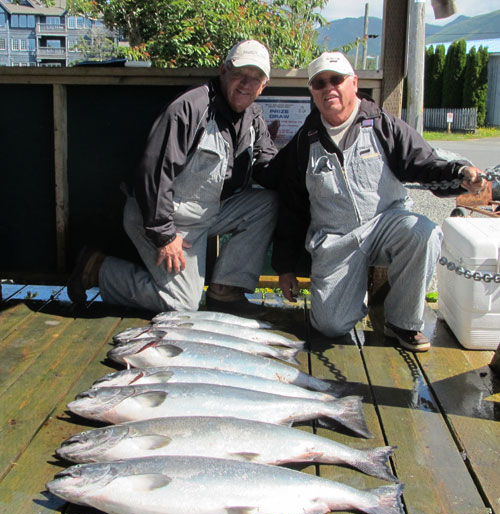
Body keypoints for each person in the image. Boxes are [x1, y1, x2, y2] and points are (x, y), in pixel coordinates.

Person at [270, 51, 487, 352]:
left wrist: (460, 173)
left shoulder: (386, 126)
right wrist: (285, 267)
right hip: (336, 240)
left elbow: (424, 164)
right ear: (312, 92)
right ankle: (351, 299)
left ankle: (403, 323)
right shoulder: (303, 143)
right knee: (330, 326)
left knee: (423, 232)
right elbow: (291, 208)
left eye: (336, 79)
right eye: (319, 83)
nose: (328, 87)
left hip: (387, 224)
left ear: (354, 83)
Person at [68, 40, 278, 317]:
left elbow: (268, 165)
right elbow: (153, 174)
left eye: (255, 79)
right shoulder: (190, 108)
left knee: (266, 203)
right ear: (223, 70)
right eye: (239, 74)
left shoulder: (253, 117)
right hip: (162, 218)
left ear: (263, 85)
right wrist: (165, 237)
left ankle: (226, 291)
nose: (245, 84)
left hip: (209, 212)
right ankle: (97, 269)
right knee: (181, 305)